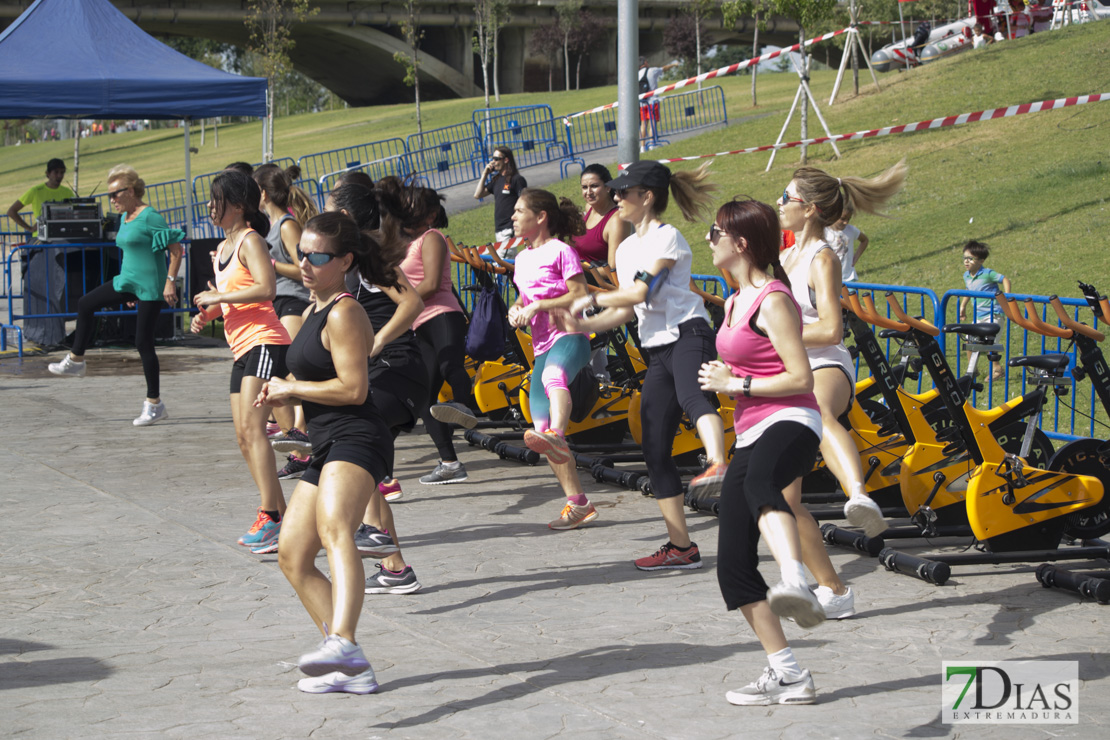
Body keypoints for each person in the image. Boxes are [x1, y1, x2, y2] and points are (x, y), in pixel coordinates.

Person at [255, 212, 400, 695]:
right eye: (303, 255)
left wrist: (293, 386)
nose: (307, 263)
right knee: (293, 556)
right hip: (326, 442)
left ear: (345, 262)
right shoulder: (316, 310)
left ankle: (343, 643)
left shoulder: (344, 311)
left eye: (318, 257)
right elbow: (318, 383)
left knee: (335, 526)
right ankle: (349, 666)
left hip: (358, 437)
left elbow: (355, 389)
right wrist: (284, 394)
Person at [560, 160, 728, 570]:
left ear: (647, 197)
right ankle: (681, 547)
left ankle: (718, 462)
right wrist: (583, 324)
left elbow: (640, 291)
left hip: (688, 334)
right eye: (615, 192)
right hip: (657, 348)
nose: (615, 197)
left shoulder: (667, 238)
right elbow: (626, 309)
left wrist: (592, 300)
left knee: (693, 398)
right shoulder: (628, 248)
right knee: (653, 448)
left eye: (623, 192)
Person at [697, 197, 826, 706]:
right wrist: (726, 383)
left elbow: (800, 376)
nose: (709, 239)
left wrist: (737, 383)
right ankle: (788, 673)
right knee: (731, 565)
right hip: (750, 430)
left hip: (793, 419)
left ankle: (797, 579)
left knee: (758, 484)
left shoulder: (772, 299)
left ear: (740, 241)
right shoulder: (732, 302)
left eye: (715, 232)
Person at [778, 163, 908, 552]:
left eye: (787, 198)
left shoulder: (823, 259)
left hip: (824, 361)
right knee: (785, 501)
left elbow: (831, 329)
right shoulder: (784, 259)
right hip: (789, 366)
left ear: (811, 208)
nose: (779, 203)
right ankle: (822, 584)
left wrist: (782, 337)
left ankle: (858, 495)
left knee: (819, 411)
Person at [326, 182, 429, 594]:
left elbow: (412, 303)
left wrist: (379, 340)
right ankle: (395, 567)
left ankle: (374, 534)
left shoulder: (368, 254)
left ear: (347, 217)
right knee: (360, 449)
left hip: (398, 368)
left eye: (330, 210)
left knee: (354, 436)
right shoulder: (350, 257)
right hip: (382, 369)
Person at [190, 170, 291, 552]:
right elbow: (233, 297)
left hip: (265, 342)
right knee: (243, 437)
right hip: (241, 347)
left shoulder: (250, 240)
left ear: (237, 205)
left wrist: (219, 299)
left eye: (216, 200)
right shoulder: (222, 248)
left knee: (255, 430)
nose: (210, 207)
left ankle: (272, 516)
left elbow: (267, 288)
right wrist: (210, 313)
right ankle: (279, 513)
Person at [47, 165, 184, 426]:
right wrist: (126, 292)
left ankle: (154, 405)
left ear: (130, 191)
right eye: (109, 196)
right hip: (127, 282)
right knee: (86, 304)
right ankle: (76, 360)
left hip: (151, 287)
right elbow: (131, 252)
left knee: (143, 343)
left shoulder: (150, 216)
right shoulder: (124, 218)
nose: (111, 200)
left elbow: (176, 251)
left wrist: (169, 283)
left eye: (115, 195)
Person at [508, 188, 596, 529]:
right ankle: (578, 503)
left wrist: (538, 306)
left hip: (571, 337)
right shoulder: (521, 258)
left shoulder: (562, 251)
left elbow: (580, 293)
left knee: (553, 379)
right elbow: (523, 298)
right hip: (542, 346)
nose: (512, 216)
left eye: (519, 211)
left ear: (540, 217)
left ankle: (559, 434)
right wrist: (517, 310)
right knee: (538, 428)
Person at [386, 181, 478, 485]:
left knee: (450, 364)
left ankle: (465, 405)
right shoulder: (403, 243)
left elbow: (431, 283)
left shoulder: (432, 237)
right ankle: (449, 463)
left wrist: (402, 300)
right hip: (418, 322)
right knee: (424, 397)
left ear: (429, 215)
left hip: (442, 315)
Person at [254, 163, 319, 453]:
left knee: (290, 372)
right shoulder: (271, 226)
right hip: (278, 303)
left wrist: (271, 266)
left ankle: (301, 437)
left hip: (293, 302)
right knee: (277, 377)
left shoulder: (287, 226)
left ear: (264, 193)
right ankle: (296, 442)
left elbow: (303, 267)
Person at [8, 158, 76, 346]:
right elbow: (11, 211)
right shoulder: (36, 191)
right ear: (48, 173)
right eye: (56, 172)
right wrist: (29, 228)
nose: (59, 176)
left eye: (62, 172)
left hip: (61, 240)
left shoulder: (67, 191)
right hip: (41, 241)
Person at [957, 240, 1011, 381]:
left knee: (989, 342)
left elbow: (1005, 279)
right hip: (979, 315)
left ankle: (997, 370)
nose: (966, 261)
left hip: (994, 314)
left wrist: (1007, 295)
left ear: (981, 260)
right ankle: (972, 370)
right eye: (965, 258)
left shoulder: (987, 274)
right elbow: (968, 291)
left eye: (971, 258)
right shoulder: (966, 276)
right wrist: (963, 307)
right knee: (969, 341)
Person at [473, 146, 526, 251]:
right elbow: (478, 195)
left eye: (496, 159)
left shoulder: (516, 179)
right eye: (493, 159)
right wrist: (484, 174)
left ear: (506, 160)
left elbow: (525, 202)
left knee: (504, 263)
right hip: (499, 229)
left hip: (509, 229)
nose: (493, 162)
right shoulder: (496, 180)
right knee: (509, 264)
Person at [576, 164, 629, 268]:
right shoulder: (589, 208)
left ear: (608, 187)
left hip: (597, 282)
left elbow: (613, 268)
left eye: (594, 186)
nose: (588, 192)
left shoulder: (617, 219)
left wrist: (577, 270)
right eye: (584, 187)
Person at [638, 57, 679, 152]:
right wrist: (674, 65)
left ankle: (643, 147)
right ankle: (652, 144)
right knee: (652, 122)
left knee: (644, 124)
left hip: (642, 102)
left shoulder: (637, 74)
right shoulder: (652, 70)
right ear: (645, 62)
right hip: (653, 101)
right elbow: (664, 68)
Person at [822, 201, 868, 283]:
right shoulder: (824, 232)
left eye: (848, 219)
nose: (846, 222)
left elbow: (864, 240)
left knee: (851, 296)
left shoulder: (851, 230)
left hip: (849, 277)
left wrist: (855, 258)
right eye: (842, 218)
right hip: (830, 278)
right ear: (833, 214)